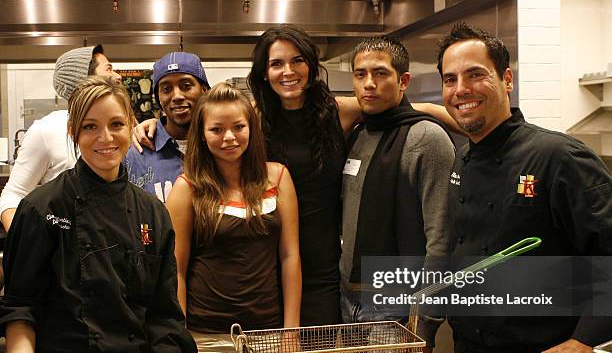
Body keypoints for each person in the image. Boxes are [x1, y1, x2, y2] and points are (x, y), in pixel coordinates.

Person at [134, 25, 458, 327]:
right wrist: (151, 124)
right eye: (277, 64)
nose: (287, 72)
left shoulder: (338, 112)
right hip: (267, 270)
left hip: (325, 270)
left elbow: (403, 109)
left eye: (297, 61)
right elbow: (215, 125)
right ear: (264, 72)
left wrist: (470, 125)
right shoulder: (254, 120)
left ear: (310, 66)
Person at [431, 22, 612, 353]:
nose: (461, 89)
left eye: (475, 75)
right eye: (450, 79)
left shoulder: (558, 157)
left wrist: (587, 338)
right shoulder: (462, 158)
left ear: (507, 80)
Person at [0, 76, 197, 353]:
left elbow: (162, 312)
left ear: (130, 126)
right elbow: (20, 309)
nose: (106, 137)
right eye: (90, 126)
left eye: (116, 124)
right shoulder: (40, 208)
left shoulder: (152, 213)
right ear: (73, 132)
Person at [166, 83, 301, 353]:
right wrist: (183, 343)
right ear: (202, 134)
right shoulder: (186, 189)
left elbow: (290, 256)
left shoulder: (278, 177)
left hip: (268, 334)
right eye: (216, 129)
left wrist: (291, 332)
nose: (229, 137)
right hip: (207, 340)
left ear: (251, 128)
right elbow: (175, 271)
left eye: (238, 127)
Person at [339, 36, 455, 325]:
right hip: (347, 299)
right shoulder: (357, 133)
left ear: (403, 81)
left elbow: (441, 239)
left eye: (380, 73)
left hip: (396, 305)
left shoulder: (427, 138)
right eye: (360, 74)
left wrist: (426, 321)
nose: (368, 83)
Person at [0, 45, 122, 232]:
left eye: (117, 124)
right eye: (108, 69)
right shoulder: (48, 130)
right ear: (85, 80)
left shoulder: (126, 129)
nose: (118, 76)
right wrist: (26, 245)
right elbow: (13, 194)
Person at [124, 52, 210, 202]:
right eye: (166, 89)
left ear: (205, 90)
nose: (177, 96)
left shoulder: (221, 147)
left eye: (186, 86)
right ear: (158, 98)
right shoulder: (137, 154)